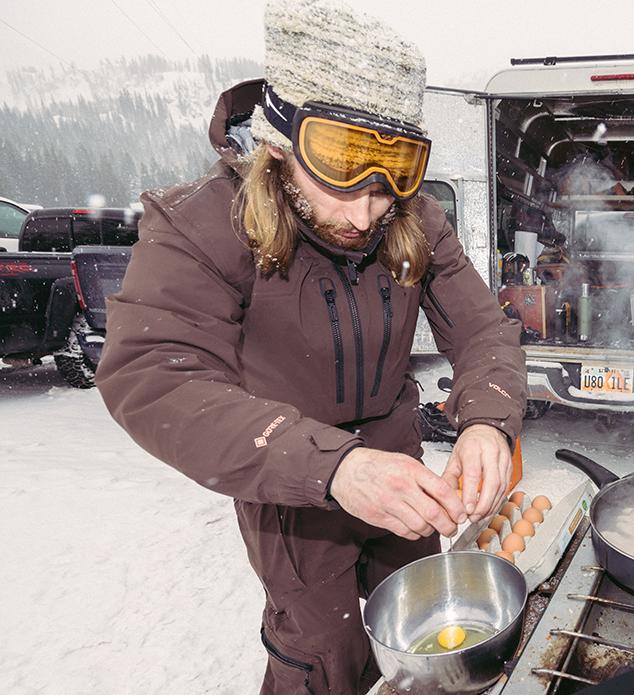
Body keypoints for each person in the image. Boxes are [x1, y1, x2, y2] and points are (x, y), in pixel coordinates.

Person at [95, 1, 527, 692]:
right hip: (287, 478)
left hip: (397, 461)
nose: (365, 214)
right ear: (278, 145)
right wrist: (335, 466)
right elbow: (151, 375)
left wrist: (488, 418)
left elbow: (481, 330)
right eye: (341, 178)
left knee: (422, 630)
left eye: (388, 184)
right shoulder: (201, 224)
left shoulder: (414, 217)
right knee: (321, 650)